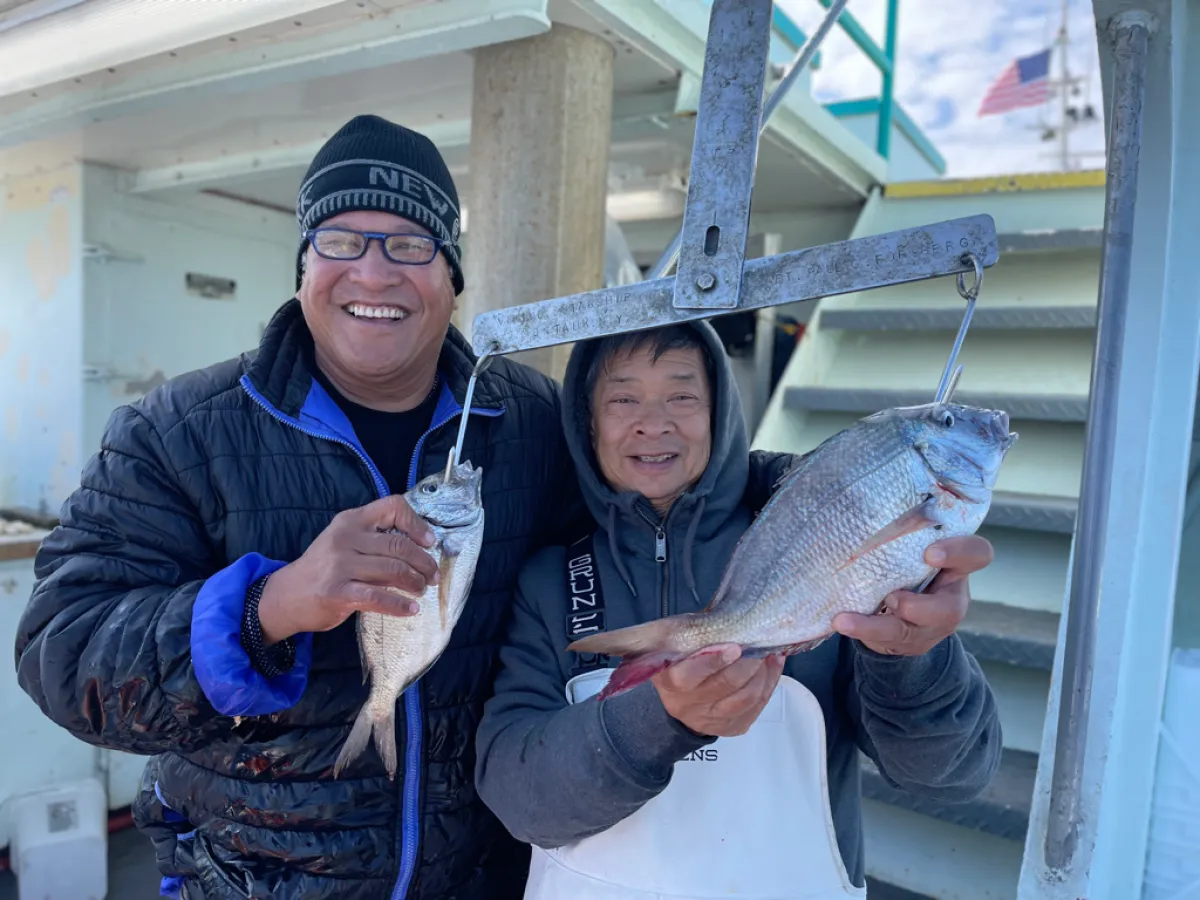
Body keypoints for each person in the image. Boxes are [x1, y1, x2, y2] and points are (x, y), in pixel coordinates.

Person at [14, 114, 588, 899]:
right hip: (248, 880)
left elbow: (658, 506)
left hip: (485, 877)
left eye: (411, 243)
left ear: (452, 276)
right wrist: (267, 607)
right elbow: (62, 654)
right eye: (341, 240)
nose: (376, 273)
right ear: (303, 265)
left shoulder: (533, 422)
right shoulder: (176, 433)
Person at [474, 321, 1003, 898]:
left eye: (683, 395)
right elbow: (518, 795)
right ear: (586, 424)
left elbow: (951, 774)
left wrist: (914, 657)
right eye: (622, 398)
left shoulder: (818, 545)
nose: (655, 422)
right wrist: (658, 719)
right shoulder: (550, 581)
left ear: (721, 412)